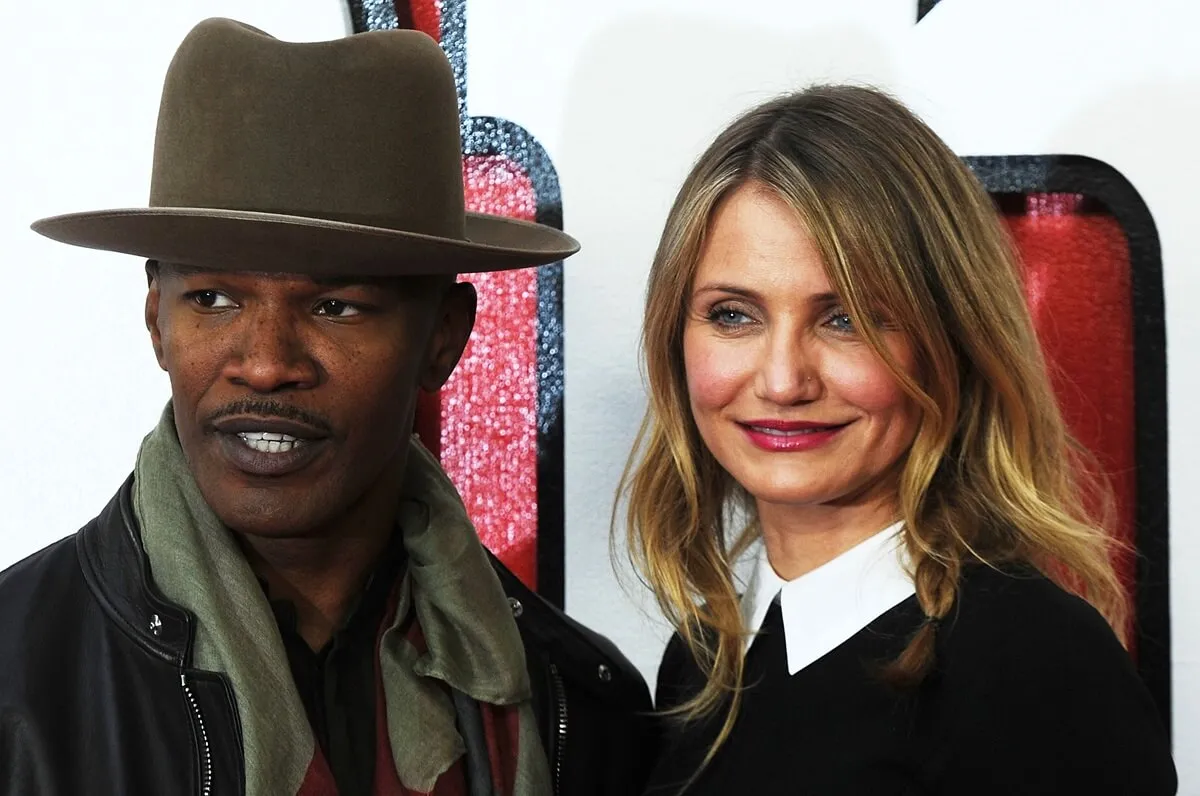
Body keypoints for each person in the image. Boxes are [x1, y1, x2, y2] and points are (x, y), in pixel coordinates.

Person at [0, 18, 654, 796]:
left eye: (338, 307)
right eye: (212, 299)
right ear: (156, 320)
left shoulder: (576, 704)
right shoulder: (15, 684)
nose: (267, 364)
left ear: (445, 337)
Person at [622, 85, 1176, 795]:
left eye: (846, 319)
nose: (784, 380)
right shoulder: (703, 662)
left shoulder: (1031, 663)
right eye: (733, 315)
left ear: (951, 341)